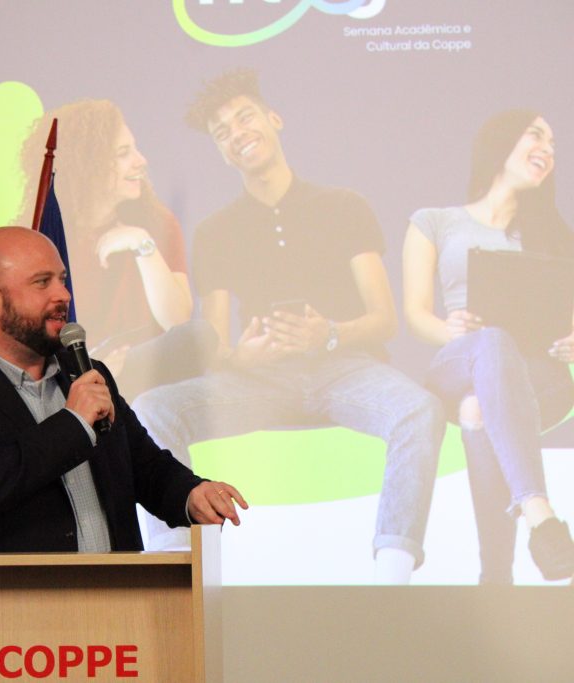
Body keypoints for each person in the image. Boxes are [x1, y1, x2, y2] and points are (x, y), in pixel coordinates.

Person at [131, 69, 445, 583]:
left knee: (420, 409)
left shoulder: (343, 205)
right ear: (221, 151)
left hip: (346, 369)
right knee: (151, 407)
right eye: (222, 132)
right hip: (260, 380)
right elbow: (216, 344)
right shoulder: (215, 230)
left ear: (273, 119)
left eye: (245, 118)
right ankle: (176, 564)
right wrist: (242, 357)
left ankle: (393, 574)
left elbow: (384, 319)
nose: (237, 134)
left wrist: (329, 334)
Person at [0, 226, 247, 553]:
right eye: (42, 282)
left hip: (123, 591)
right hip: (17, 596)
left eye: (62, 280)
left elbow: (146, 467)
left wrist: (191, 494)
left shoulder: (87, 374)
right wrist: (72, 425)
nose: (63, 295)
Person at [403, 110, 574, 583]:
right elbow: (416, 315)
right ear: (501, 142)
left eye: (553, 144)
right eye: (536, 135)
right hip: (459, 358)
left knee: (478, 408)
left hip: (536, 375)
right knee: (492, 342)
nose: (548, 150)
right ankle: (539, 512)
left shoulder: (554, 237)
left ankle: (495, 579)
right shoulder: (434, 222)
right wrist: (450, 329)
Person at [17, 100, 216, 400]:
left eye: (135, 149)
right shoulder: (44, 235)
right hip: (68, 375)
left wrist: (142, 245)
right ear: (89, 163)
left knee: (199, 336)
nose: (141, 161)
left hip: (140, 371)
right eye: (124, 153)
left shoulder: (156, 221)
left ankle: (108, 375)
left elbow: (177, 319)